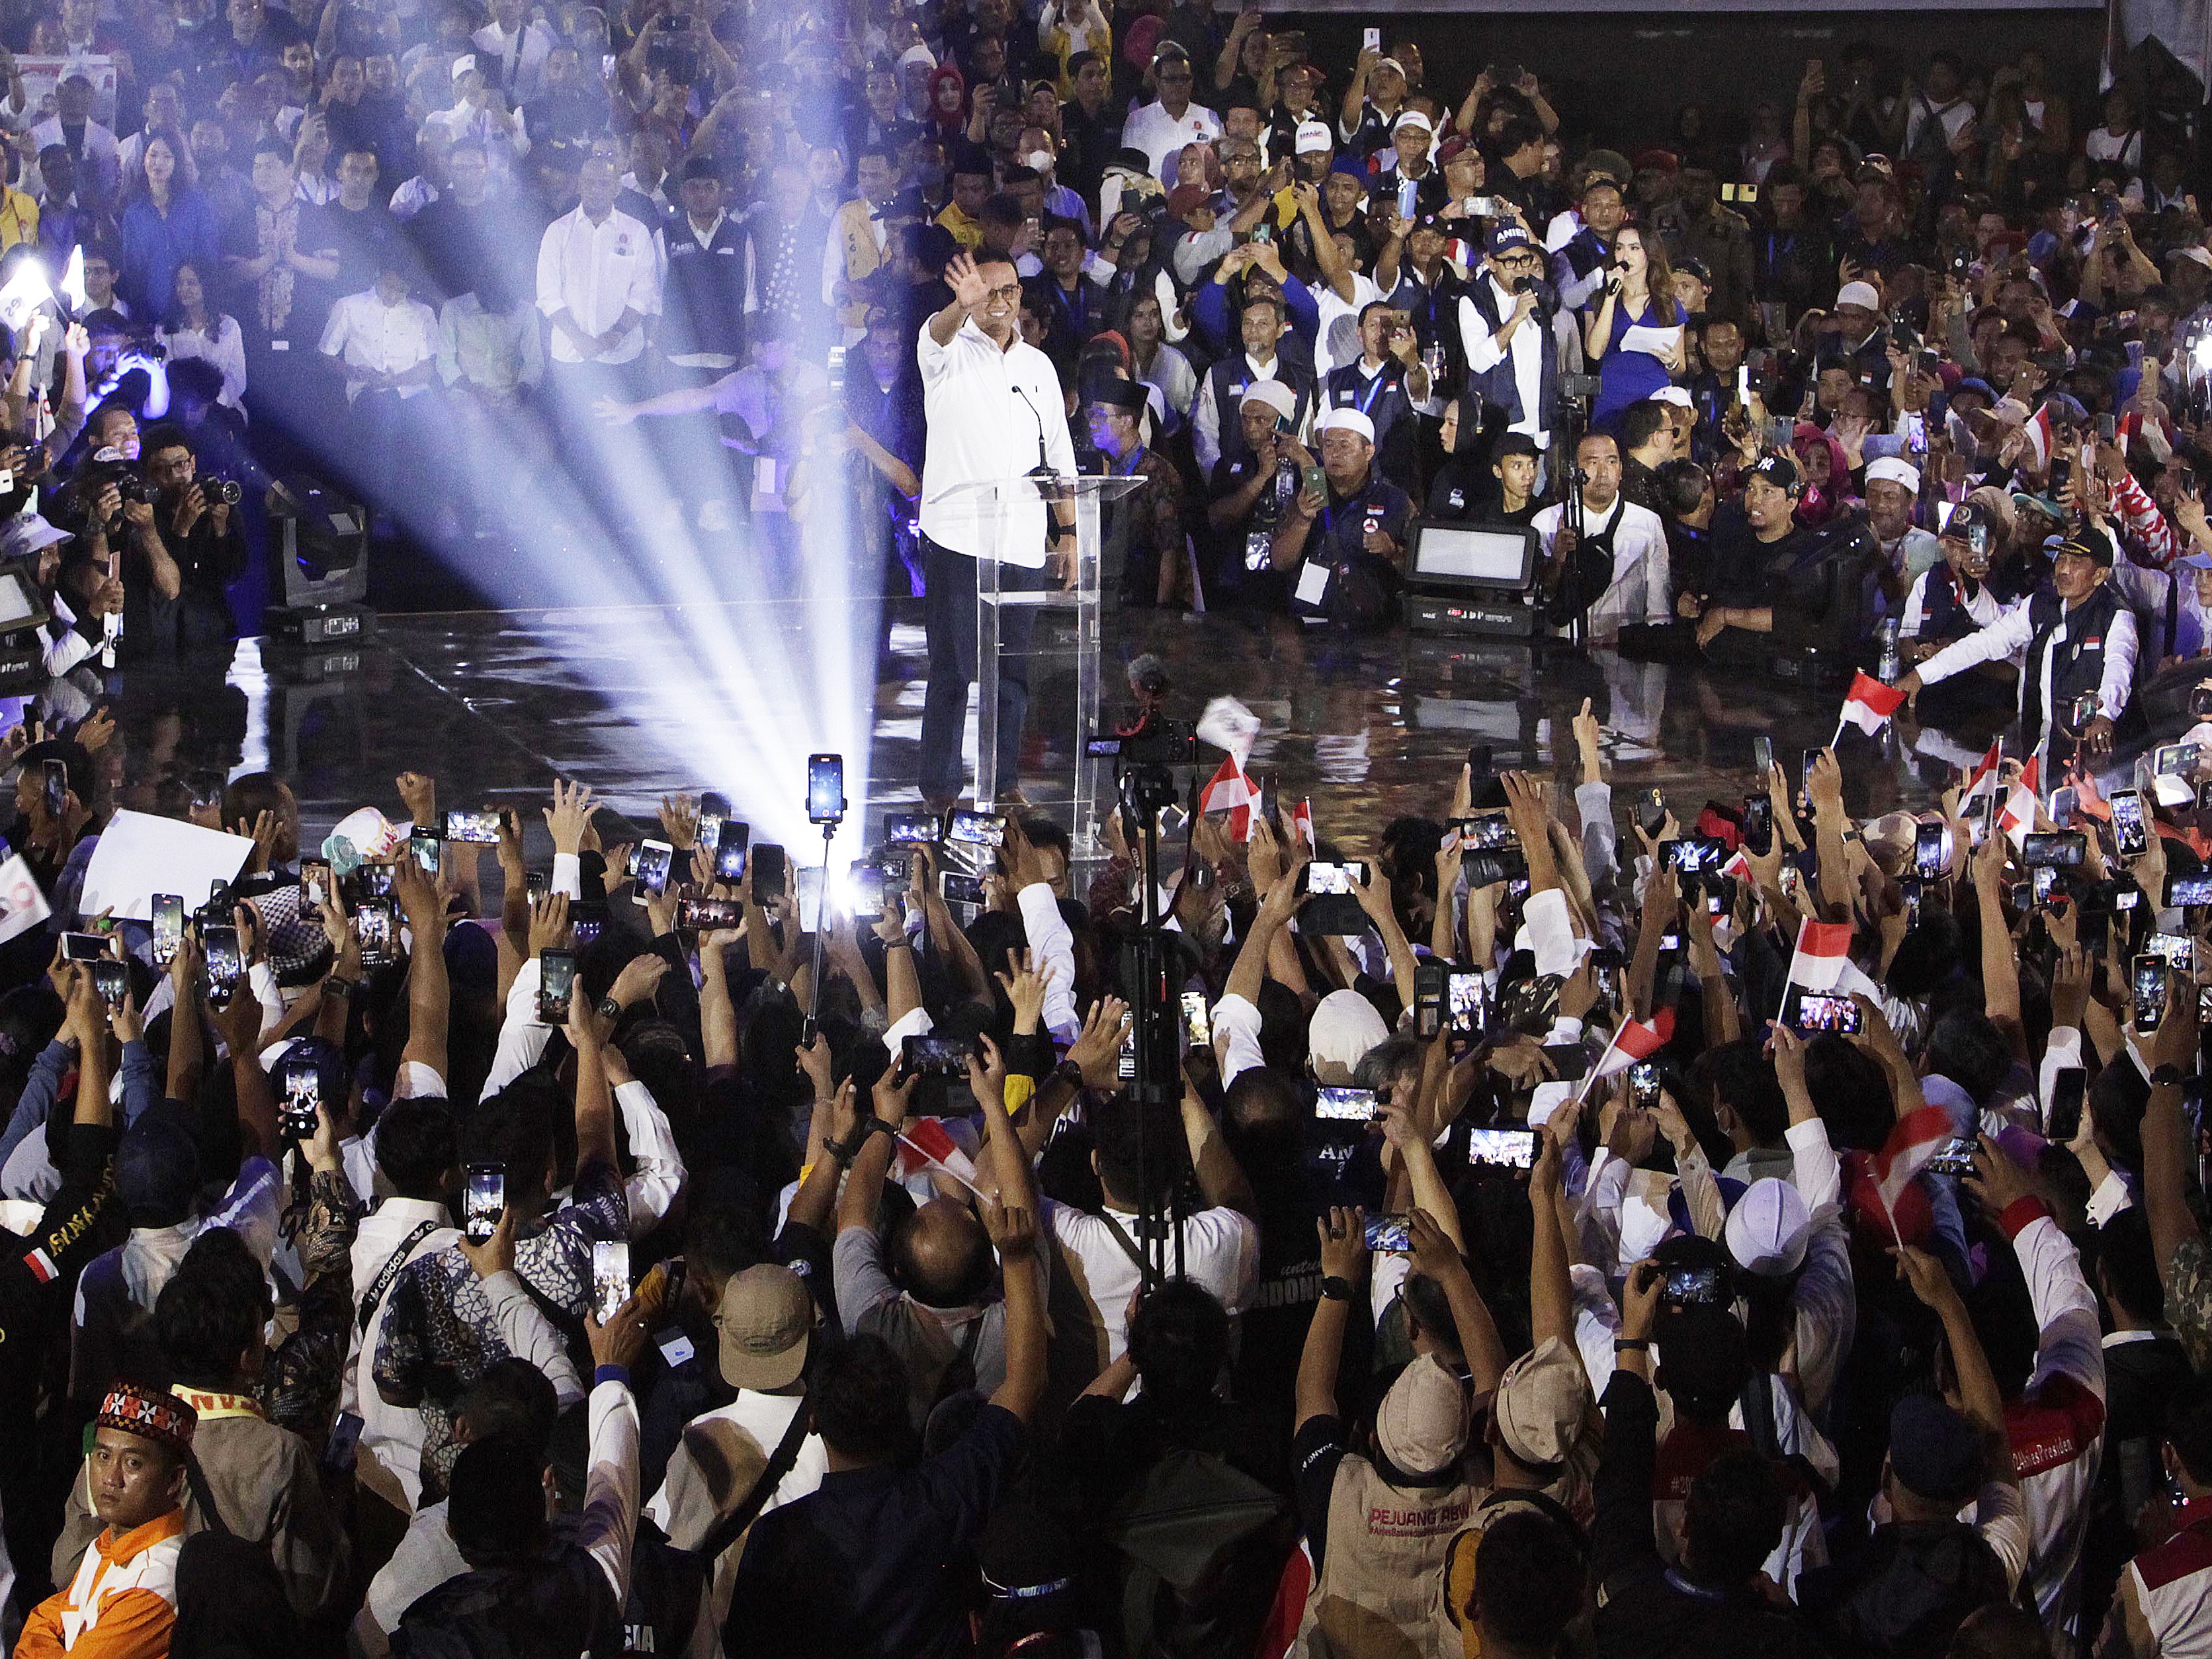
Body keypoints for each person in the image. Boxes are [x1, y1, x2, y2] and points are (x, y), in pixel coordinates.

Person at [914, 251, 1077, 812]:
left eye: (1010, 291)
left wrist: (1070, 534)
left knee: (1012, 675)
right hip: (960, 539)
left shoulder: (1039, 368)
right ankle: (939, 788)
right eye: (989, 291)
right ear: (972, 296)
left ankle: (1004, 783)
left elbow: (1059, 456)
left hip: (1022, 540)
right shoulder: (945, 353)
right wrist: (955, 309)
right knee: (953, 670)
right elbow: (936, 333)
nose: (1001, 301)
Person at [1898, 523, 2139, 764]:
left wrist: (2104, 714)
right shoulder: (2042, 604)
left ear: (2099, 575)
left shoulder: (2115, 615)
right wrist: (1920, 675)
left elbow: (2119, 667)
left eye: (2076, 563)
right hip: (2039, 739)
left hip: (2093, 751)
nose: (2064, 569)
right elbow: (1986, 643)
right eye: (2061, 559)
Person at [15, 1386, 197, 1659]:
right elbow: (42, 1617)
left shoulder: (153, 1582)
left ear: (174, 1480)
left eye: (133, 1463)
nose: (111, 1477)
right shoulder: (108, 1543)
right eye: (103, 1456)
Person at [1532, 429, 1670, 642]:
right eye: (1593, 463)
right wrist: (1558, 559)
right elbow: (1533, 600)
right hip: (1563, 653)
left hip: (1624, 652)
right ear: (1575, 470)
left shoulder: (1648, 522)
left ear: (1621, 470)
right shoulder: (1546, 522)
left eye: (1612, 462)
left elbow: (1659, 606)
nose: (1604, 472)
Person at [1583, 225, 1685, 431]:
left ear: (1649, 253)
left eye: (1634, 248)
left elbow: (1680, 368)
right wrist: (1611, 297)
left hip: (1653, 399)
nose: (1625, 255)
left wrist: (1672, 363)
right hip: (1613, 397)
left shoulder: (1667, 304)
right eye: (1619, 248)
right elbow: (1594, 351)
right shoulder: (1597, 300)